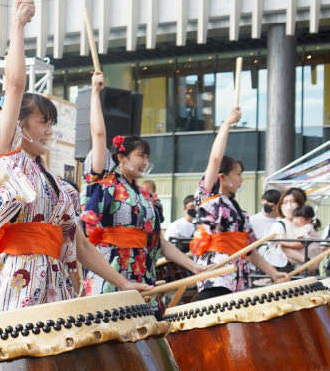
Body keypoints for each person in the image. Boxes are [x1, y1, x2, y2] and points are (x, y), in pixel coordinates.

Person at [0, 0, 146, 312]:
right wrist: (18, 27)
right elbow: (16, 84)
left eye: (51, 122)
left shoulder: (58, 186)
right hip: (15, 282)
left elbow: (80, 244)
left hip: (53, 282)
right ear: (19, 123)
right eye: (43, 121)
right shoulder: (5, 155)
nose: (49, 129)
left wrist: (124, 283)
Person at [80, 74, 200, 294]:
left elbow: (160, 242)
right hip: (110, 272)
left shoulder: (147, 197)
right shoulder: (106, 183)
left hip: (141, 271)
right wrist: (95, 94)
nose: (145, 162)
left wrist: (194, 267)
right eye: (141, 156)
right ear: (122, 157)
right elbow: (98, 135)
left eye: (147, 157)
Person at [191, 107, 287, 298]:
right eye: (238, 174)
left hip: (238, 273)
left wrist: (274, 273)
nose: (241, 179)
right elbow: (215, 159)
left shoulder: (239, 212)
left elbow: (250, 250)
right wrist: (226, 123)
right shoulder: (208, 197)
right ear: (223, 176)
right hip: (215, 271)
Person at [249, 188, 289, 271]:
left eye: (271, 203)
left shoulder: (282, 221)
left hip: (277, 261)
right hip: (258, 261)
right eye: (265, 202)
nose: (267, 205)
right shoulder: (252, 220)